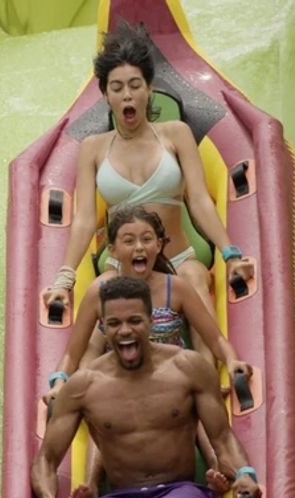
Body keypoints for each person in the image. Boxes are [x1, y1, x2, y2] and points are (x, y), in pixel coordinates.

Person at [31, 276, 260, 498]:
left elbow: (222, 437)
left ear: (151, 320)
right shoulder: (84, 386)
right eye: (114, 323)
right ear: (103, 328)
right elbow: (46, 459)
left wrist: (243, 473)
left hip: (180, 494)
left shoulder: (187, 368)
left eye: (134, 321)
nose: (125, 331)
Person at [42, 206, 252, 498]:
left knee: (198, 399)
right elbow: (74, 351)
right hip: (121, 373)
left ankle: (220, 469)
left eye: (146, 239)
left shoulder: (174, 288)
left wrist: (231, 360)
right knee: (105, 411)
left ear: (160, 244)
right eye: (129, 241)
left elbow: (214, 336)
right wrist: (60, 380)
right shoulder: (100, 291)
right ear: (113, 250)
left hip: (168, 372)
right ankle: (90, 484)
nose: (139, 247)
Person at [41, 23, 253, 313]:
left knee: (195, 284)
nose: (127, 95)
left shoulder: (176, 134)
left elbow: (200, 200)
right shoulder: (92, 148)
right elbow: (85, 220)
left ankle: (218, 359)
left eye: (135, 85)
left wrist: (230, 254)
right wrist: (64, 278)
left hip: (180, 259)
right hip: (121, 266)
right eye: (117, 88)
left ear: (149, 89)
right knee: (100, 302)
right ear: (106, 95)